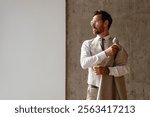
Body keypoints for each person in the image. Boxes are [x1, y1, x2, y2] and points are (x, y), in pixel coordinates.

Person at [80, 10, 128, 100]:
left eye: (95, 22)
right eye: (91, 22)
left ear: (105, 23)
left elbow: (124, 69)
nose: (92, 24)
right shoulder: (87, 44)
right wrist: (106, 53)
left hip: (111, 90)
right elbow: (84, 63)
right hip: (93, 90)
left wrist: (107, 70)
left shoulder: (117, 45)